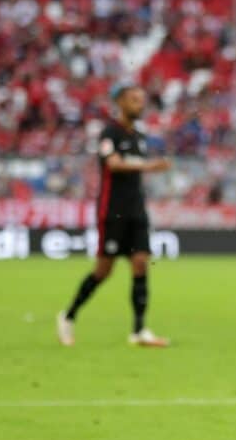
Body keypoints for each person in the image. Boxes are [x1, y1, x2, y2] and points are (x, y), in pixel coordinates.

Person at [57, 83, 171, 347]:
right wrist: (149, 166)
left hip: (136, 209)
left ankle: (139, 330)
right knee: (103, 270)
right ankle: (68, 315)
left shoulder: (139, 136)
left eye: (141, 99)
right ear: (120, 102)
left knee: (141, 263)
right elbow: (114, 164)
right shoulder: (109, 133)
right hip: (113, 210)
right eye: (134, 100)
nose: (139, 104)